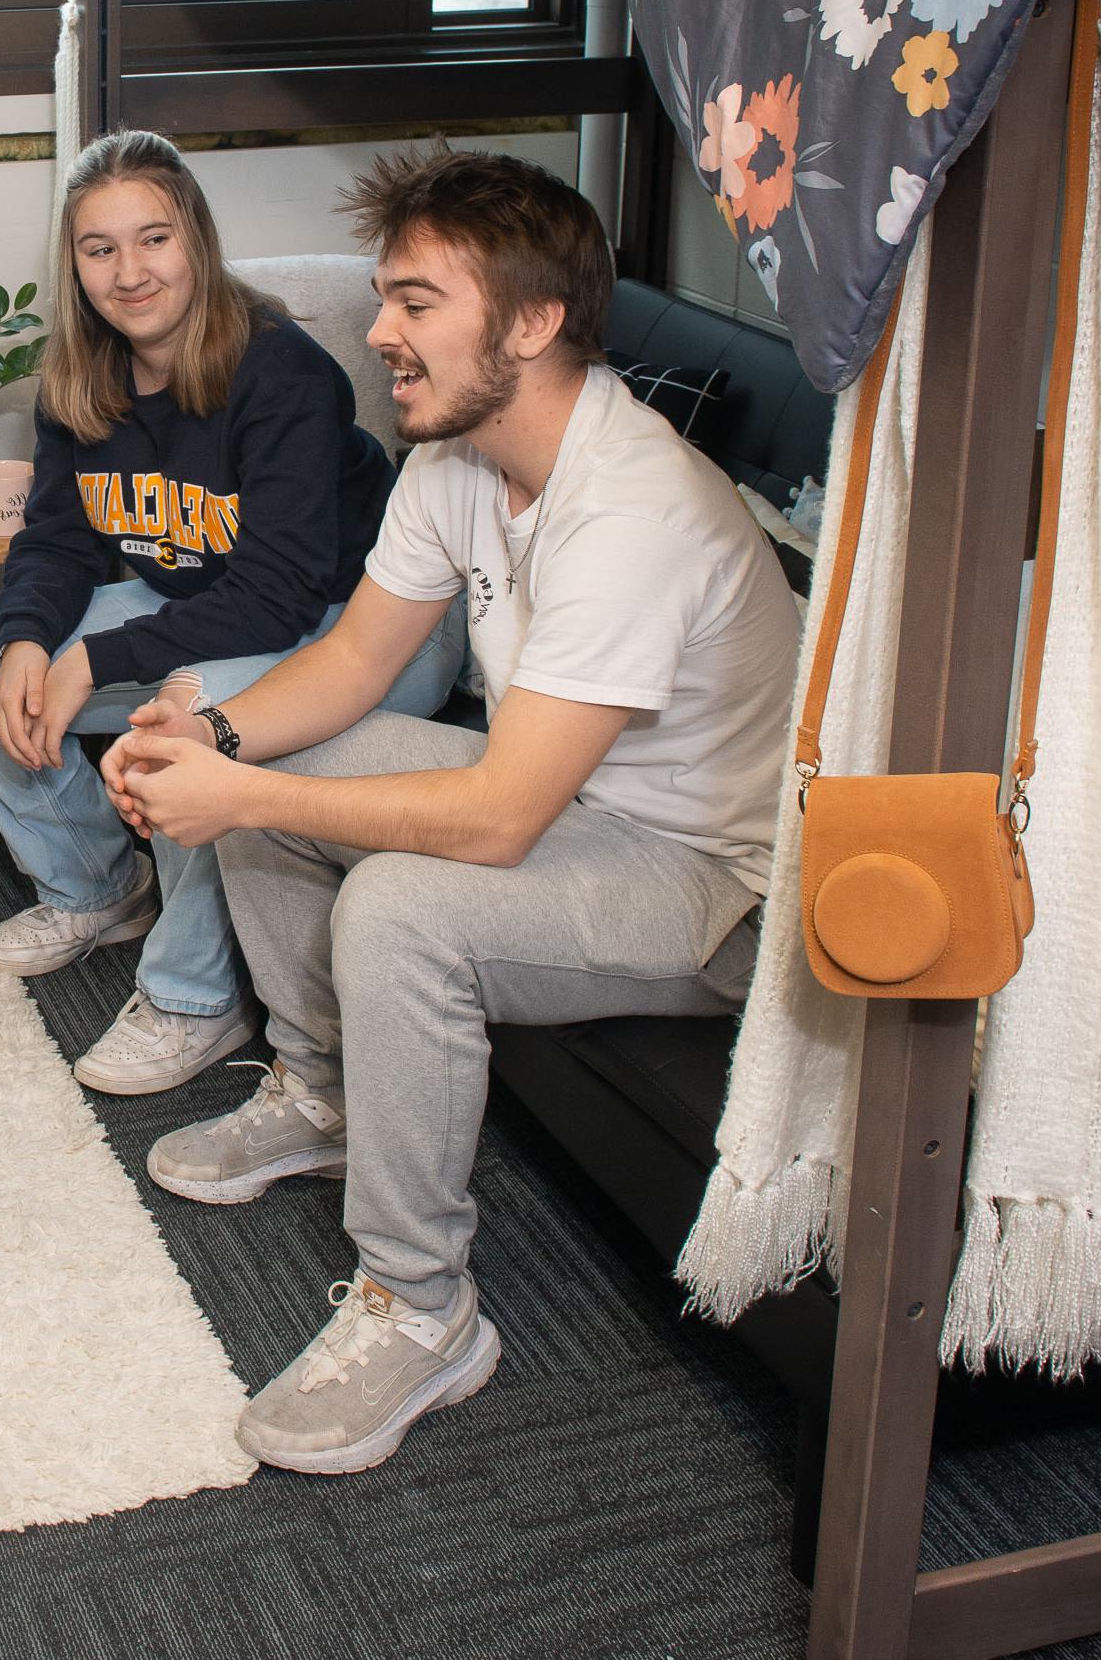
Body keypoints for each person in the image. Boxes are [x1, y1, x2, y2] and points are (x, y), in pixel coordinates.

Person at [104, 147, 800, 1477]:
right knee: (295, 772)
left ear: (530, 324)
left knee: (402, 905)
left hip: (710, 884)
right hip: (572, 805)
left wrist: (236, 787)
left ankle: (423, 1305)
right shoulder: (464, 455)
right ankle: (323, 1097)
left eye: (417, 302)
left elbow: (495, 823)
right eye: (387, 299)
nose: (382, 333)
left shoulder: (633, 510)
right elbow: (357, 663)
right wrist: (214, 738)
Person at [0, 131, 463, 1096]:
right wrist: (28, 641)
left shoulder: (282, 374)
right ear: (76, 265)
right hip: (198, 598)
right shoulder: (79, 379)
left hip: (361, 624)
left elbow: (278, 591)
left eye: (154, 238)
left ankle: (194, 998)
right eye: (101, 249)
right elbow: (56, 541)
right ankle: (97, 887)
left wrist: (92, 662)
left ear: (197, 242)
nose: (130, 272)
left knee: (187, 707)